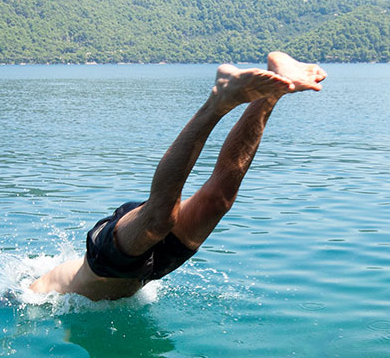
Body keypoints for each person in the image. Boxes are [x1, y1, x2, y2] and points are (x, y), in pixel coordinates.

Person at [30, 51, 327, 301]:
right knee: (218, 201)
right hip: (148, 271)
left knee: (161, 217)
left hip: (107, 261)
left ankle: (218, 101)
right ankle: (275, 88)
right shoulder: (45, 277)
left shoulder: (30, 294)